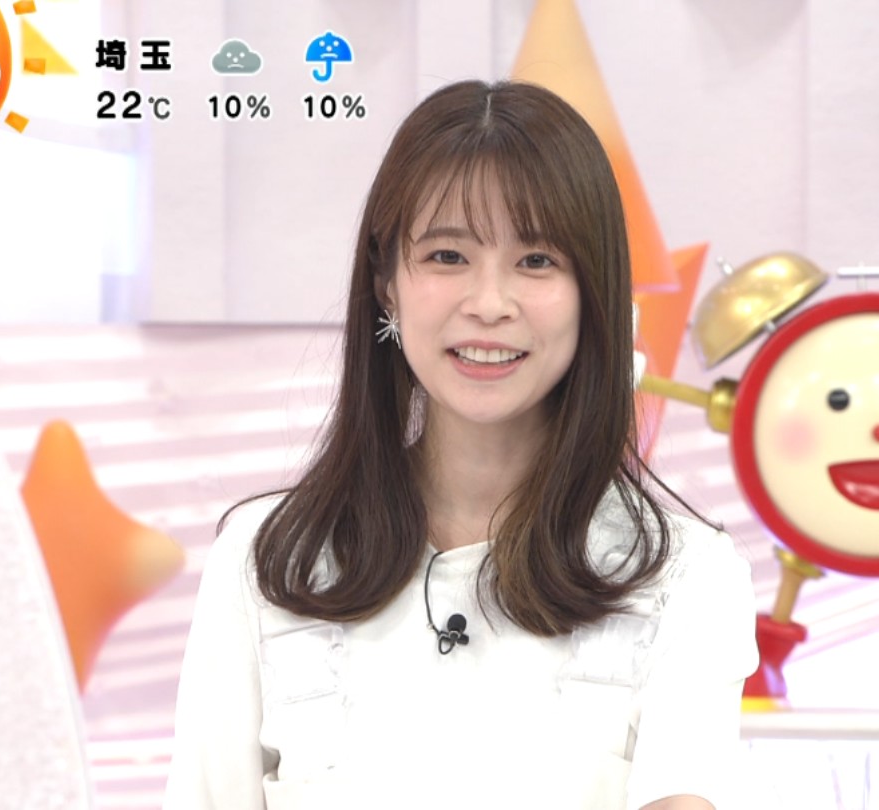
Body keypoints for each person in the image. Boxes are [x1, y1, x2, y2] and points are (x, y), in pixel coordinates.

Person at [164, 80, 758, 810]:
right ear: (387, 283)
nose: (489, 303)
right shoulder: (266, 560)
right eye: (448, 255)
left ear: (593, 291)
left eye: (536, 261)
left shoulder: (686, 575)